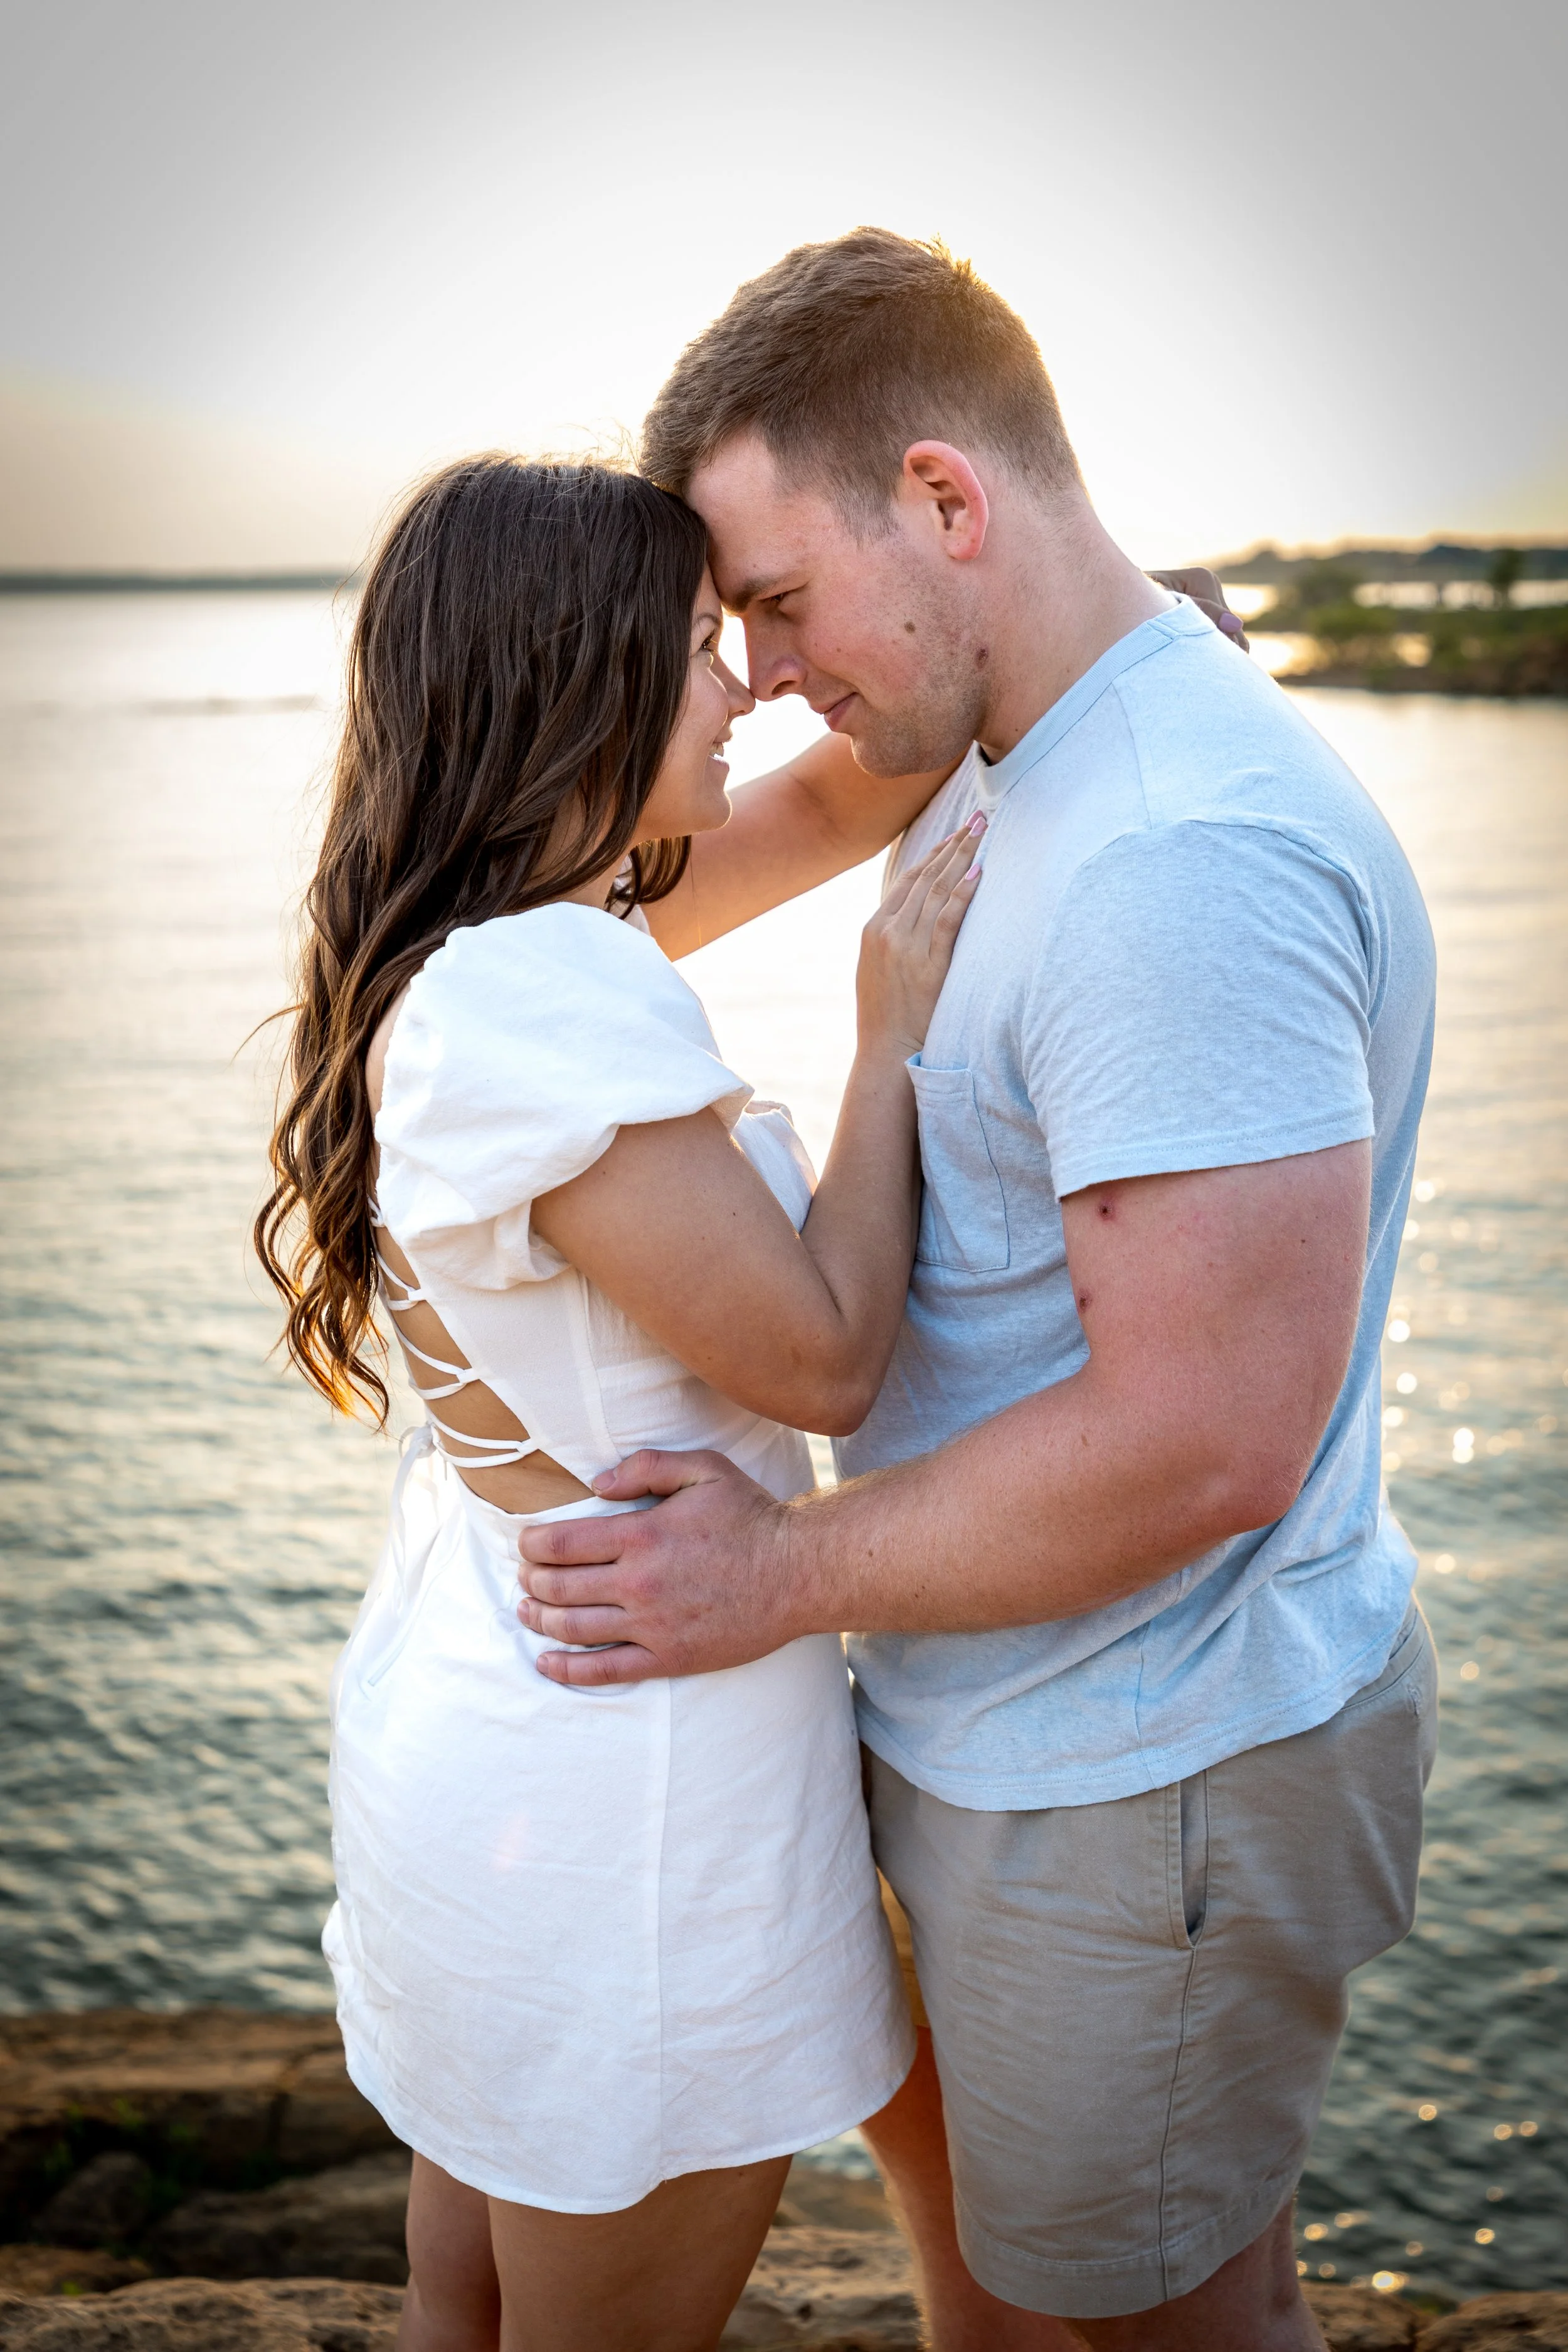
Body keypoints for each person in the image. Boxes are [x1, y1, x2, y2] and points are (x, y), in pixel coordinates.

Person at [516, 230, 1441, 2352]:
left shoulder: (1164, 856)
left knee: (1160, 2330)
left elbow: (1206, 1436)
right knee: (1015, 2307)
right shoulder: (1023, 743)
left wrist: (769, 1574)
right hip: (1026, 1734)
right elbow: (716, 842)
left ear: (945, 501)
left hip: (1142, 1773)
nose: (756, 676)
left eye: (771, 604)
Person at [256, 451, 993, 2352]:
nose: (745, 680)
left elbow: (849, 784)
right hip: (627, 1805)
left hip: (496, 1721)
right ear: (573, 679)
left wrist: (1120, 647)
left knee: (469, 2312)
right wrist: (886, 1034)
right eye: (693, 646)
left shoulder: (486, 948)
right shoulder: (543, 998)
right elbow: (825, 1350)